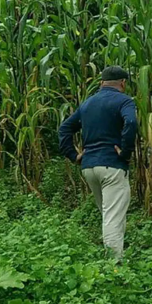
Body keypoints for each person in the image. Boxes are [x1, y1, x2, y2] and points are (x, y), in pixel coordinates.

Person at [59, 66, 138, 261]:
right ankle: (114, 264)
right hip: (112, 166)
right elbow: (131, 123)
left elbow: (64, 128)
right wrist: (126, 152)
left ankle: (113, 256)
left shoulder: (88, 103)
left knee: (108, 213)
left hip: (89, 167)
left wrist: (73, 155)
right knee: (112, 217)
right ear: (123, 83)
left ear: (101, 83)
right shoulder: (124, 101)